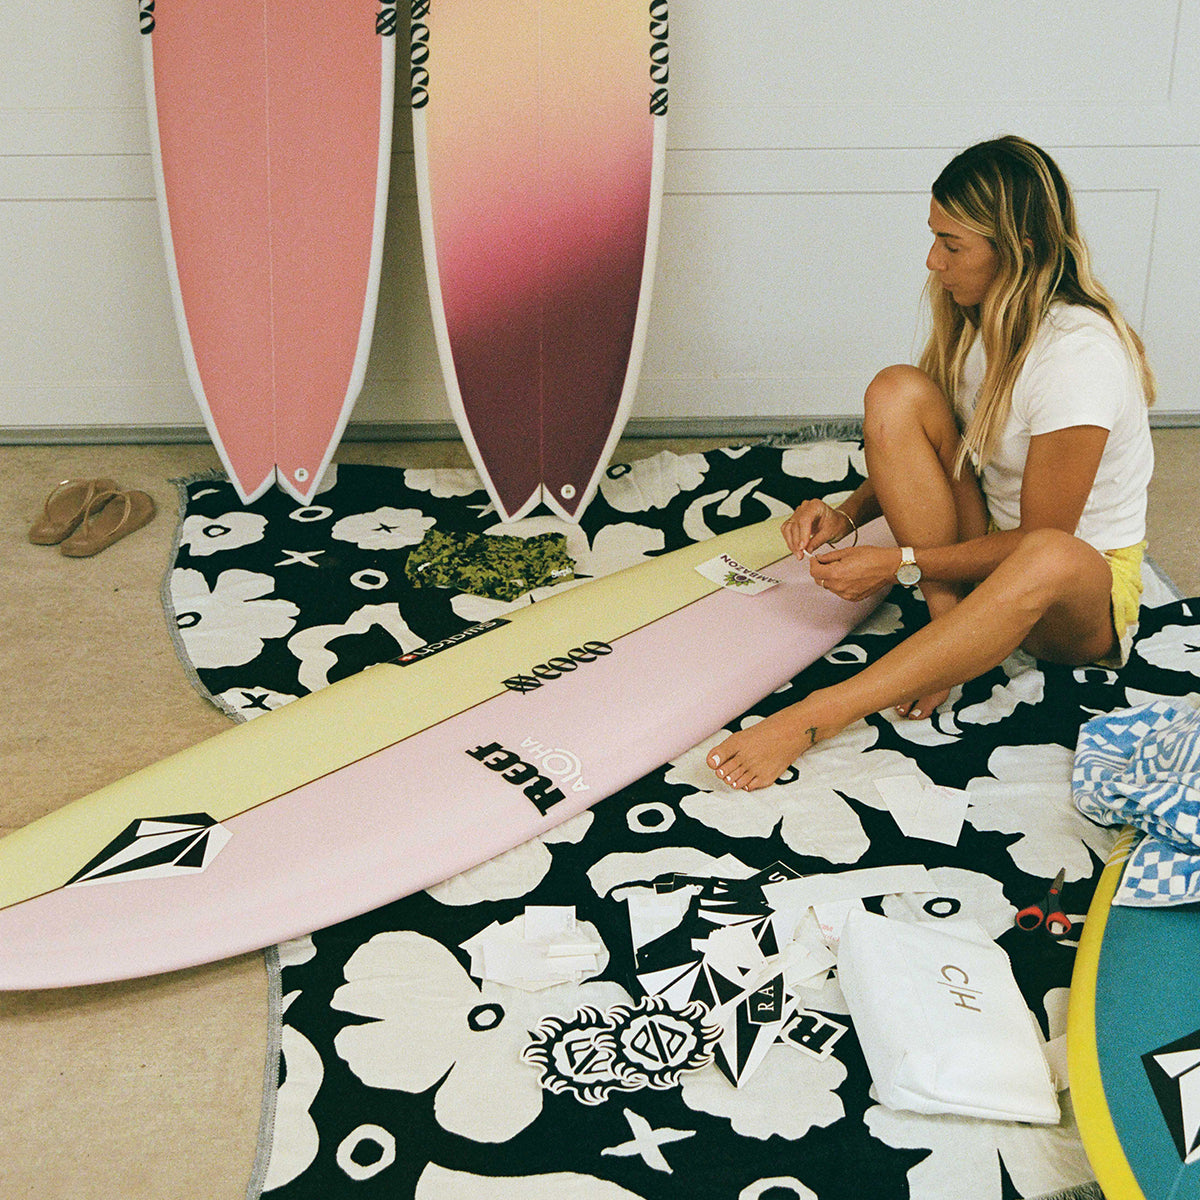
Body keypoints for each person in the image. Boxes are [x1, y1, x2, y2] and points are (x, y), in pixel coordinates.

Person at [707, 135, 1155, 792]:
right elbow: (941, 443)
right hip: (988, 545)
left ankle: (816, 717)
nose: (932, 260)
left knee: (1050, 553)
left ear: (1019, 249)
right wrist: (848, 512)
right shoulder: (981, 315)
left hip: (1077, 595)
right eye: (935, 237)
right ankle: (952, 634)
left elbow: (1040, 541)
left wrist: (902, 562)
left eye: (952, 244)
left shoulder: (1078, 359)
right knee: (898, 389)